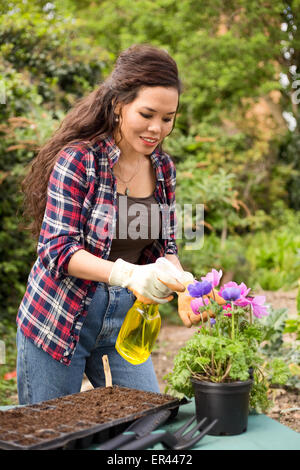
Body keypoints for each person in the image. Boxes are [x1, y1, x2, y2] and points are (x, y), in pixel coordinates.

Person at [16, 44, 199, 406]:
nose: (156, 128)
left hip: (125, 320)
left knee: (145, 421)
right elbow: (57, 250)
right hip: (60, 316)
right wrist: (128, 274)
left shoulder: (163, 169)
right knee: (50, 435)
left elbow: (166, 248)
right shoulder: (79, 160)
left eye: (168, 117)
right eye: (147, 113)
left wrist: (186, 286)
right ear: (119, 105)